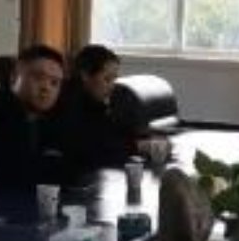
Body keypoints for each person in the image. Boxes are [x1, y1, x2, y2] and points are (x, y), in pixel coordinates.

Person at [0, 43, 68, 210]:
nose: (46, 88)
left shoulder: (46, 119)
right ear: (14, 77)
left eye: (54, 83)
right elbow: (12, 183)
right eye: (38, 77)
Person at [52, 44, 170, 176]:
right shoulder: (68, 103)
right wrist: (138, 146)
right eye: (107, 79)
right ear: (85, 75)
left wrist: (151, 140)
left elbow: (120, 133)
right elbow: (93, 148)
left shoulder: (101, 100)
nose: (112, 86)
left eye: (114, 79)